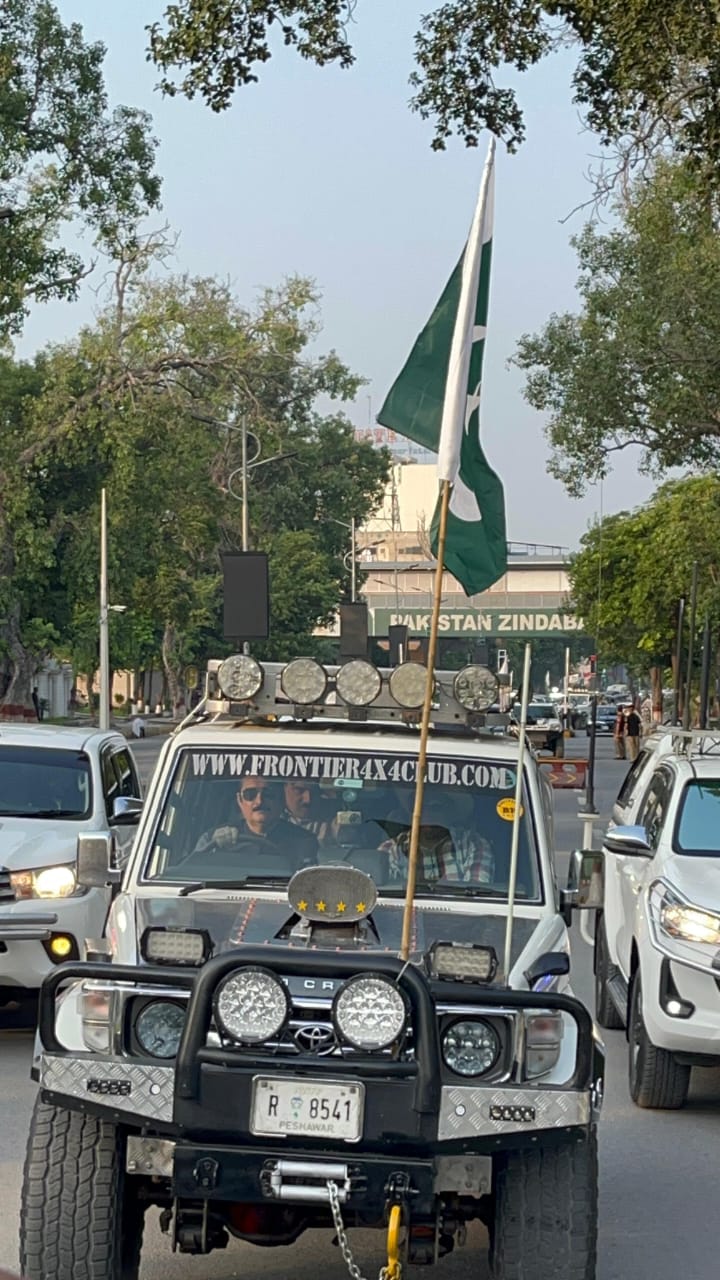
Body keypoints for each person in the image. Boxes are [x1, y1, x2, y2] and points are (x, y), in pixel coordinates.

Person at [380, 791, 494, 886]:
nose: (427, 813)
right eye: (420, 807)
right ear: (412, 813)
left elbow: (476, 895)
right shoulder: (391, 849)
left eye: (435, 807)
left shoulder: (472, 844)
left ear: (450, 812)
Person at [195, 775, 317, 863]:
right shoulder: (212, 839)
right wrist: (215, 851)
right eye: (250, 794)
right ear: (239, 800)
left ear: (280, 800)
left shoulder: (304, 842)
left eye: (268, 794)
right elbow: (192, 874)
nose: (259, 801)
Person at [284, 780, 338, 845]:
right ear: (284, 789)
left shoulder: (335, 820)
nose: (307, 800)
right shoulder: (271, 816)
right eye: (299, 790)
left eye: (314, 792)